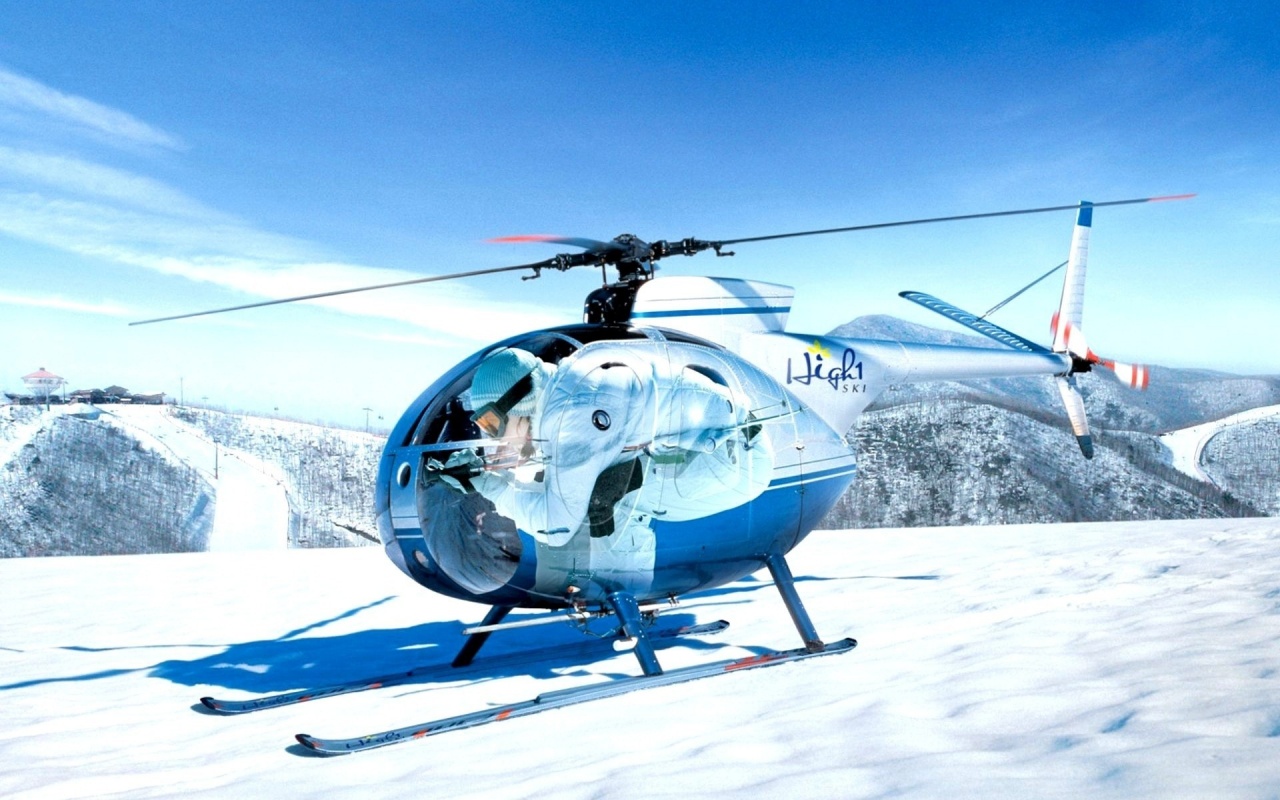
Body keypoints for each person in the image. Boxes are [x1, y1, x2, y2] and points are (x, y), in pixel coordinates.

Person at [438, 342, 770, 550]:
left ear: (520, 401)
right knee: (597, 485)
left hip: (736, 462)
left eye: (493, 423)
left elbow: (555, 528)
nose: (494, 435)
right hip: (719, 446)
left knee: (604, 504)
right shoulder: (566, 386)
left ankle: (621, 593)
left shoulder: (573, 419)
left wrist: (490, 487)